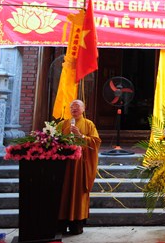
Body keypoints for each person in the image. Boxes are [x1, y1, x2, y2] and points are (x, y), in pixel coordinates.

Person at [57, 99, 101, 235]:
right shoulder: (62, 124)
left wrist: (80, 136)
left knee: (78, 193)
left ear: (83, 109)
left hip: (80, 166)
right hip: (64, 165)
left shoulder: (89, 124)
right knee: (62, 193)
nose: (74, 109)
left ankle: (76, 225)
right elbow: (54, 140)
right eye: (72, 107)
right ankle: (60, 224)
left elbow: (95, 142)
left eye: (77, 107)